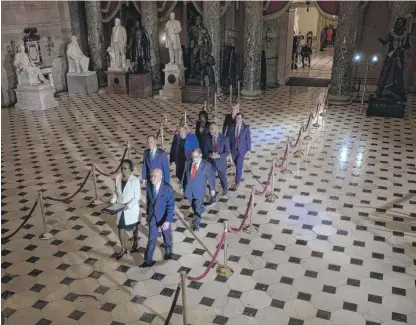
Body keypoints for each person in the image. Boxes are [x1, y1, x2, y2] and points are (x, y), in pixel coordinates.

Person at [141, 168, 175, 268]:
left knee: (166, 234)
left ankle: (168, 250)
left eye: (155, 176)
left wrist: (167, 221)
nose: (152, 178)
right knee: (151, 239)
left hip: (164, 216)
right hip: (152, 217)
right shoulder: (149, 185)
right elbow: (148, 201)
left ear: (161, 177)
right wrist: (148, 214)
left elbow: (171, 206)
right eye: (151, 176)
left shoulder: (167, 188)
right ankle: (148, 260)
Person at [109, 159, 141, 259]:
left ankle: (135, 241)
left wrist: (129, 205)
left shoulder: (135, 180)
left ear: (130, 169)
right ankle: (123, 249)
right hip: (120, 208)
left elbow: (137, 197)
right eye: (122, 168)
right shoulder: (118, 177)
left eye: (125, 168)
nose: (123, 170)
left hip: (131, 209)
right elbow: (116, 192)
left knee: (134, 227)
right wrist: (113, 201)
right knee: (121, 227)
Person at [181, 148, 213, 231]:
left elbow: (211, 178)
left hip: (199, 190)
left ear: (200, 155)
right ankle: (201, 209)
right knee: (194, 206)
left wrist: (212, 189)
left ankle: (196, 225)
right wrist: (182, 186)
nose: (194, 159)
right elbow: (184, 175)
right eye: (193, 157)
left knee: (197, 208)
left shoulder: (206, 165)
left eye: (196, 157)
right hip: (189, 190)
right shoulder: (188, 163)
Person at [203, 122, 230, 200]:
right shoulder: (207, 138)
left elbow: (227, 152)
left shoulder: (224, 138)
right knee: (211, 179)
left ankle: (225, 189)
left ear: (216, 129)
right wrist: (210, 155)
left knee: (222, 178)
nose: (210, 131)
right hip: (211, 163)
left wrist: (218, 156)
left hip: (221, 162)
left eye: (212, 129)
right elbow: (205, 152)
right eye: (210, 129)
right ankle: (213, 197)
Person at [229, 113, 251, 189]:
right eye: (236, 118)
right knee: (236, 164)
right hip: (233, 150)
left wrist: (248, 149)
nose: (237, 120)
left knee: (239, 166)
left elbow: (248, 139)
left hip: (242, 150)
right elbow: (228, 138)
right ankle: (238, 175)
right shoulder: (231, 127)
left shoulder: (246, 128)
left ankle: (237, 182)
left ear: (242, 119)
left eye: (239, 118)